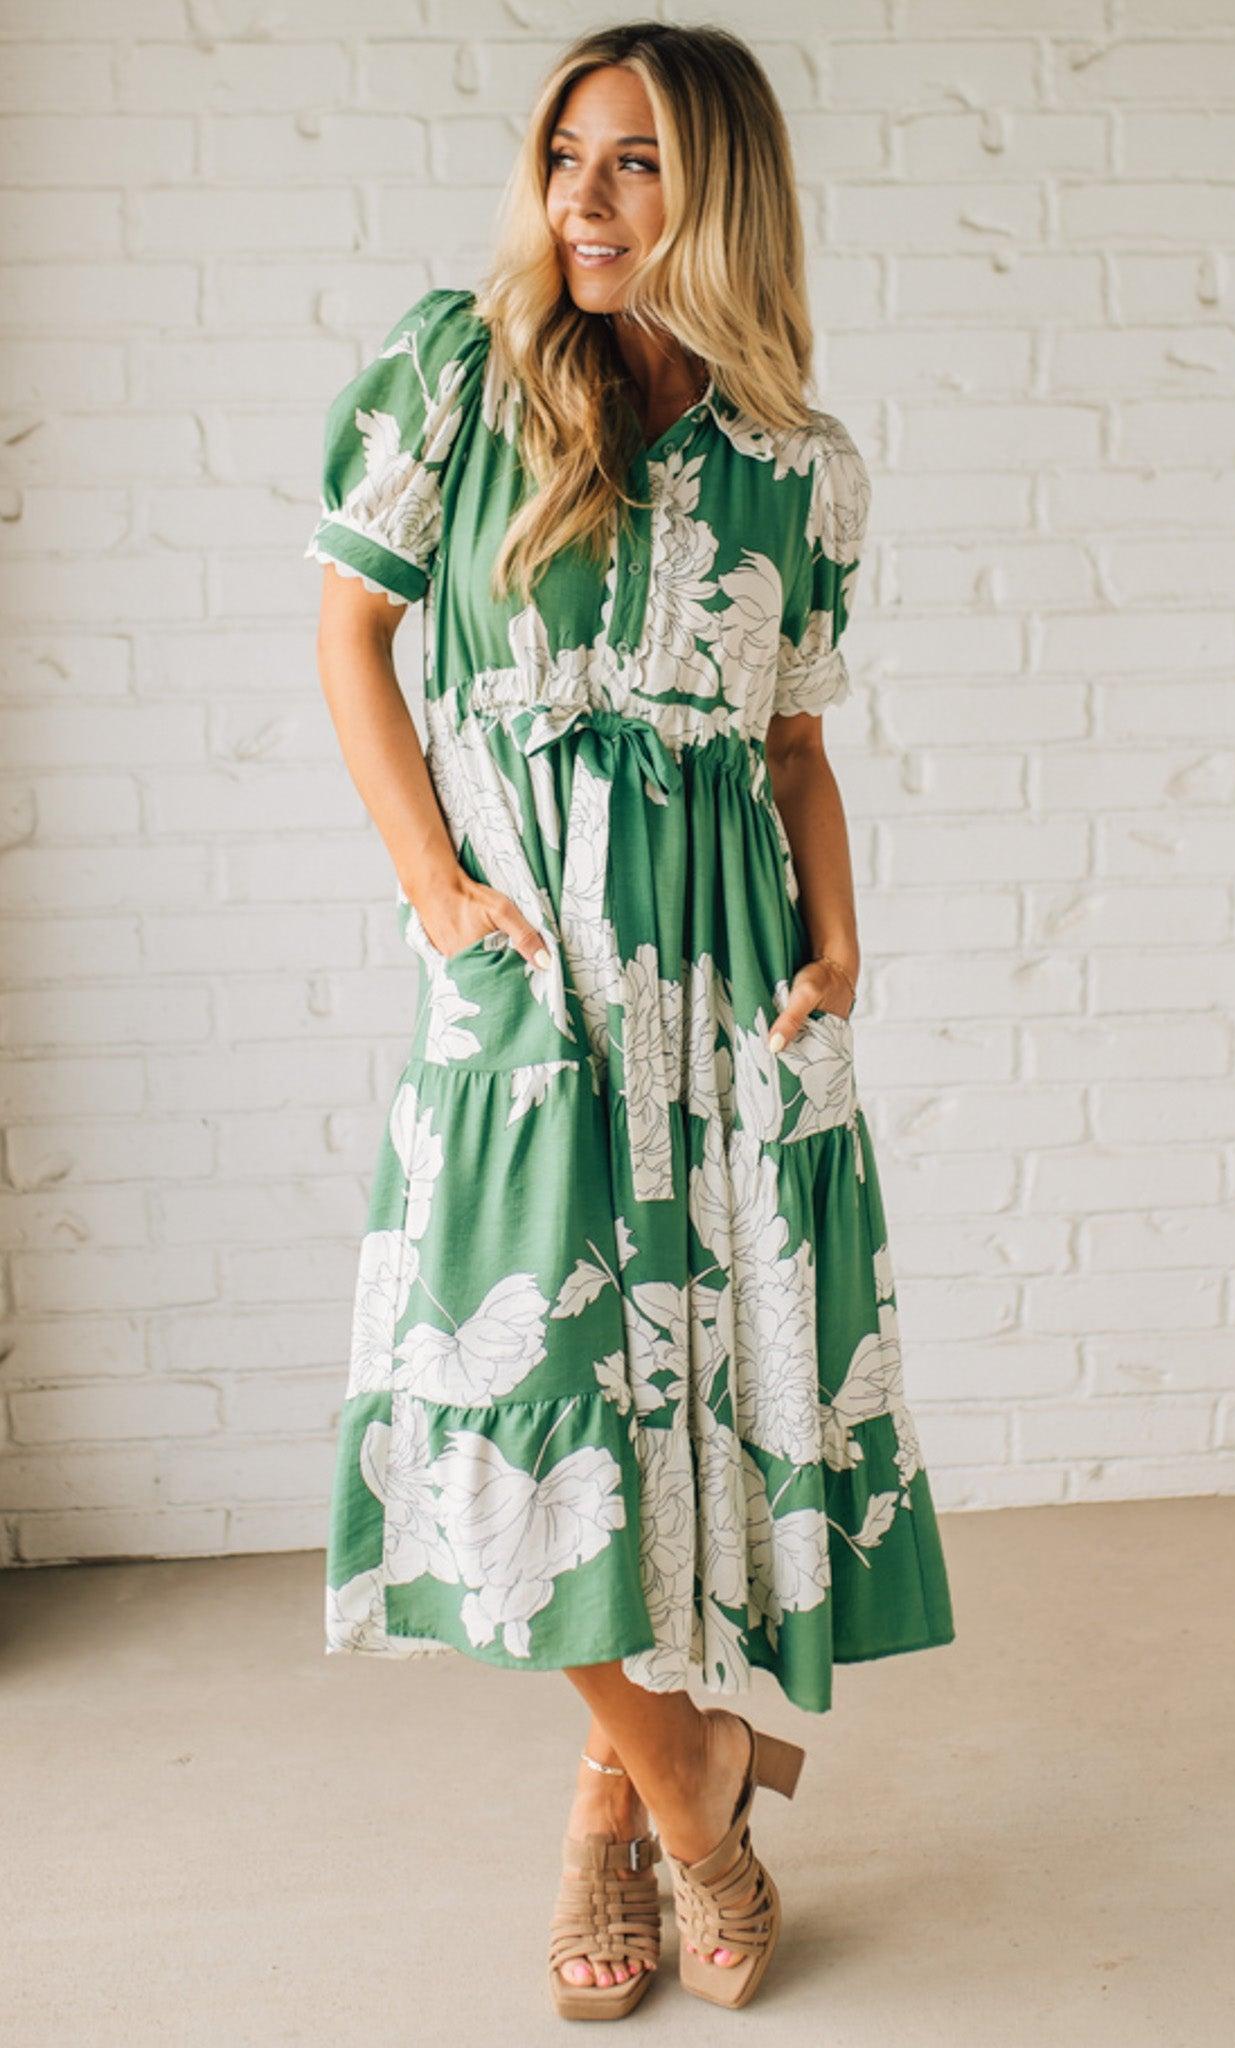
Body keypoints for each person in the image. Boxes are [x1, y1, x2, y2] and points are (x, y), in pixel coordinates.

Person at [305, 19, 955, 2021]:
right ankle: (693, 1792)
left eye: (637, 165)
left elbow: (792, 750)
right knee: (515, 1402)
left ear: (719, 195)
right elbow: (349, 634)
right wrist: (437, 900)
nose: (582, 202)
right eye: (564, 157)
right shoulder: (454, 372)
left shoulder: (797, 466)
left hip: (730, 995)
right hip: (527, 984)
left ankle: (607, 1804)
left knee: (706, 1409)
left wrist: (837, 954)